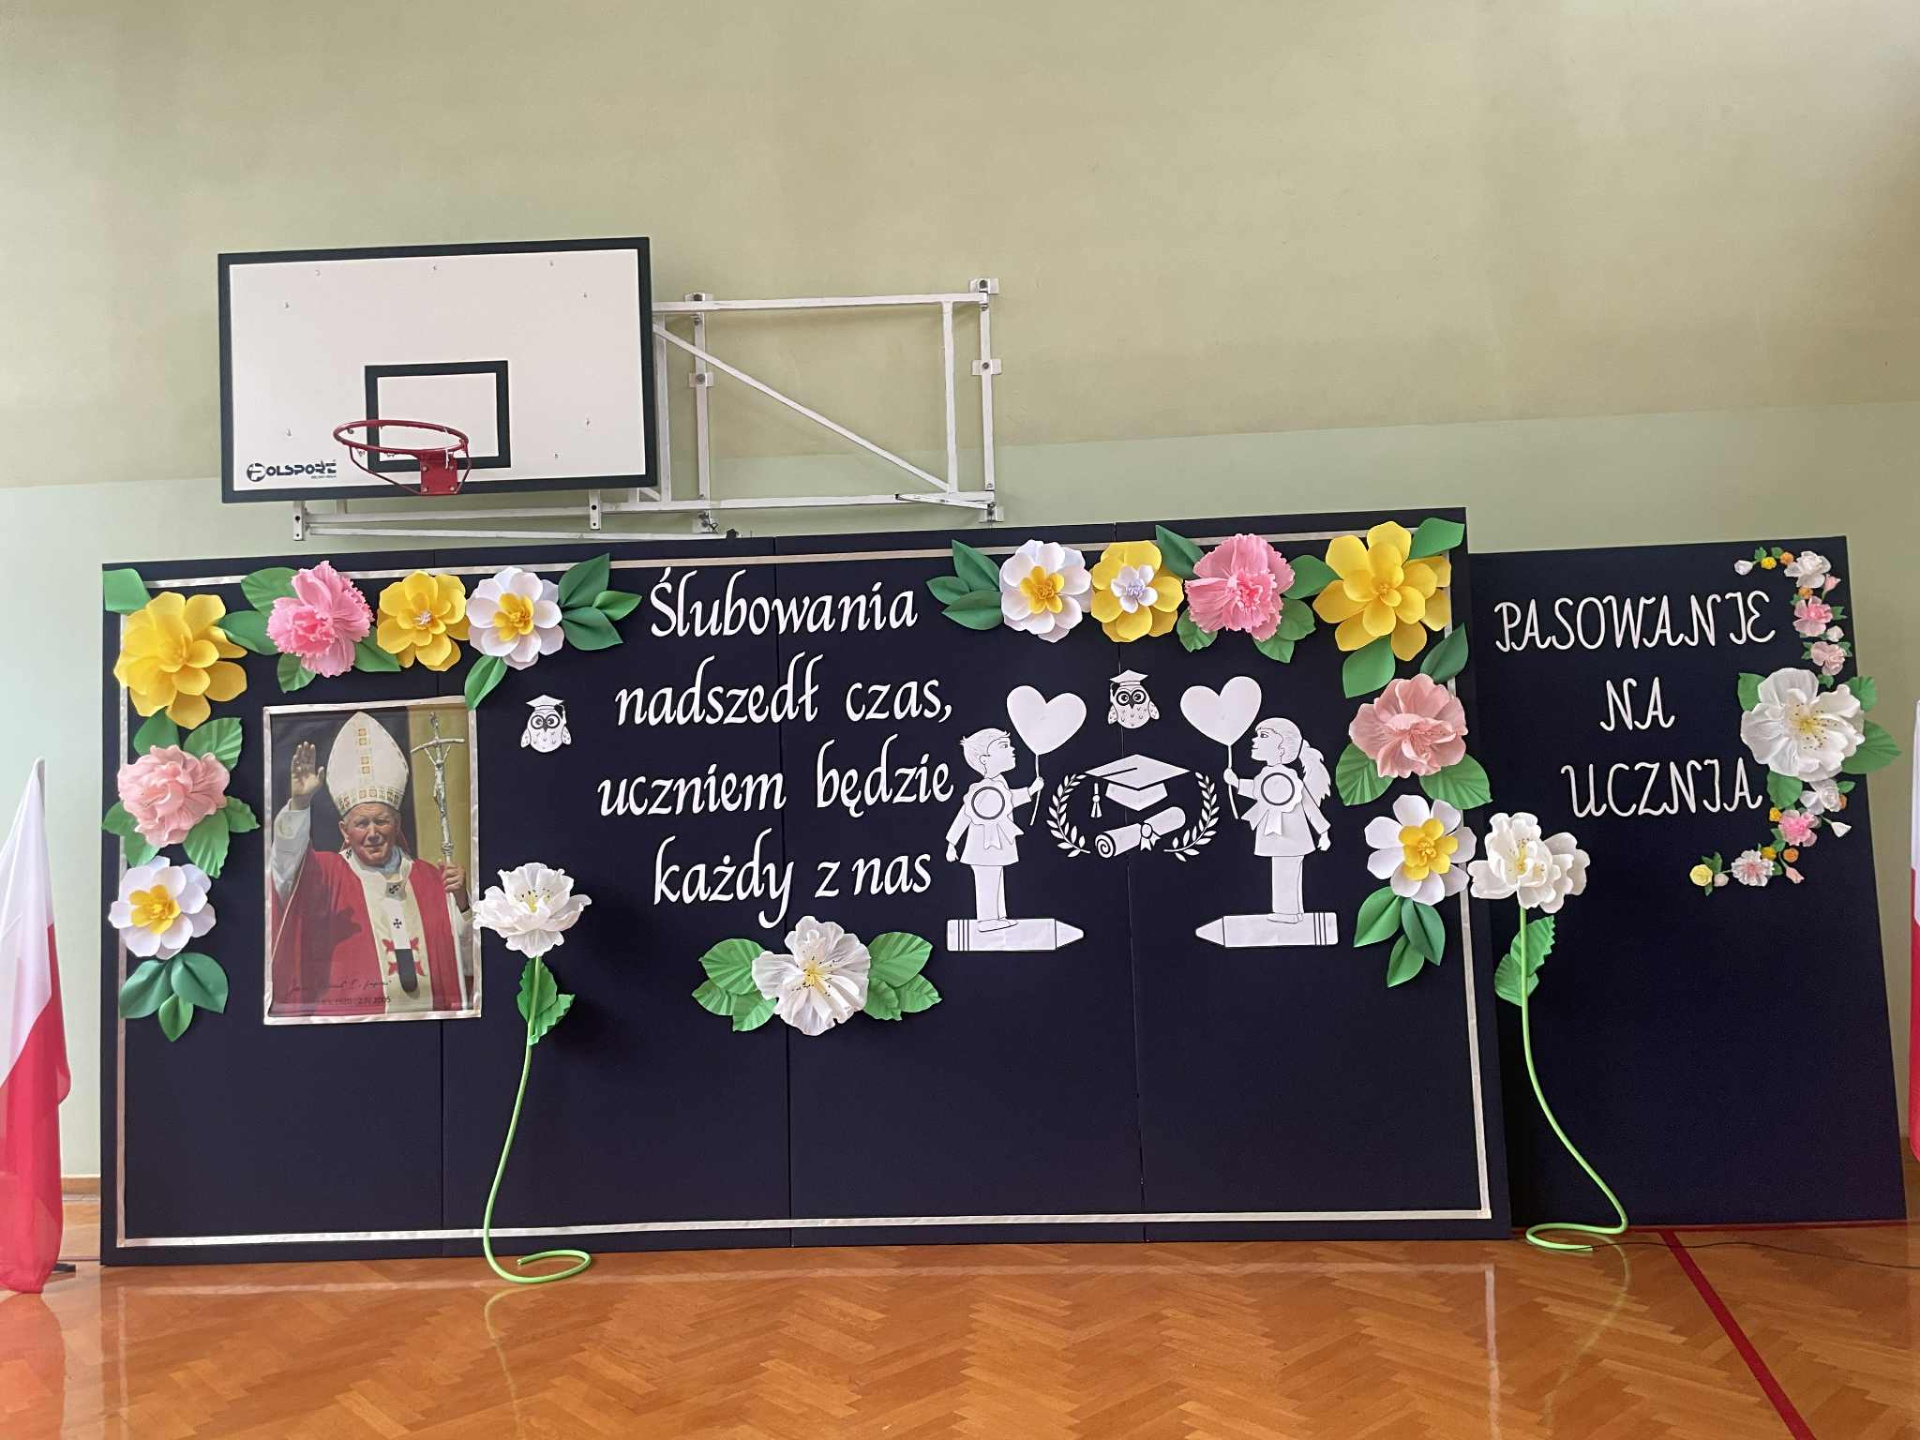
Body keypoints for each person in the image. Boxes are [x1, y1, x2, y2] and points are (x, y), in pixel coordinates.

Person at [268, 711, 472, 1017]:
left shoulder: (430, 878)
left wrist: (462, 903)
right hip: (355, 1024)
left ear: (397, 824)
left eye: (382, 821)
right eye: (361, 823)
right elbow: (285, 869)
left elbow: (464, 963)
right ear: (344, 831)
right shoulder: (326, 874)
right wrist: (300, 805)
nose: (373, 832)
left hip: (431, 1021)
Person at [1224, 717, 1332, 919]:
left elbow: (1307, 805)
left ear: (1282, 748)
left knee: (1286, 874)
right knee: (1284, 874)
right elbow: (1259, 790)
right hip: (1283, 838)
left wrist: (1323, 832)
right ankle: (1291, 912)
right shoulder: (1269, 774)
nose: (1254, 740)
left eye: (1264, 736)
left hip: (1290, 837)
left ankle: (1288, 913)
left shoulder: (1286, 777)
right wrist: (1236, 782)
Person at [945, 728, 1041, 929]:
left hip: (993, 848)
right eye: (1004, 746)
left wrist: (1031, 790)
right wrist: (952, 843)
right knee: (987, 882)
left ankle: (998, 917)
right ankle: (987, 920)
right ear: (984, 760)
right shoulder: (983, 788)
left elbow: (1009, 799)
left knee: (996, 880)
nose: (1012, 749)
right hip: (983, 849)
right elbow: (964, 814)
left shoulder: (999, 782)